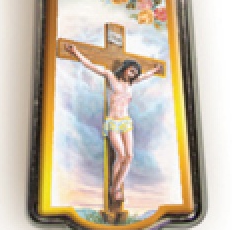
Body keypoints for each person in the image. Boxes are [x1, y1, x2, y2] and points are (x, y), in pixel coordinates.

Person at [64, 43, 162, 202]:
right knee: (121, 155)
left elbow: (145, 76)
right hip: (113, 123)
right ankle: (115, 189)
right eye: (131, 71)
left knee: (129, 156)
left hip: (126, 122)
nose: (133, 74)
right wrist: (76, 52)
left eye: (135, 73)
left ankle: (115, 187)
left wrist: (155, 71)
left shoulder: (131, 83)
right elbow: (91, 66)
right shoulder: (111, 77)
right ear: (125, 68)